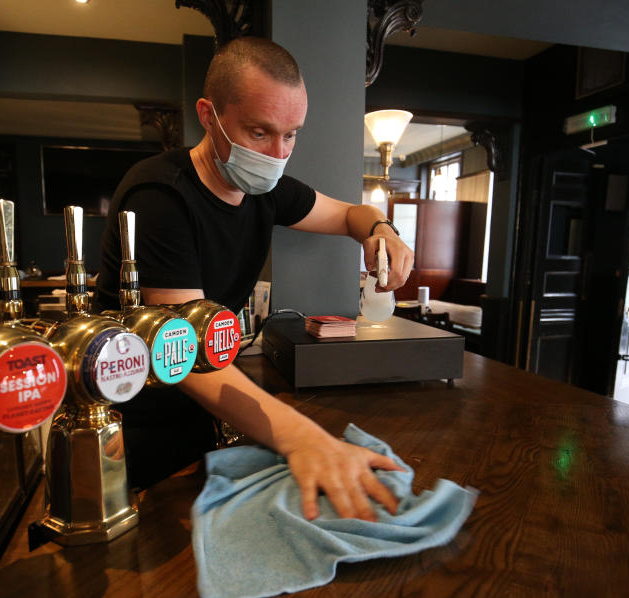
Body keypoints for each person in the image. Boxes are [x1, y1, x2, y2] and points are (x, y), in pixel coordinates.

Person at [96, 37, 414, 522]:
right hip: (135, 415)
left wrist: (380, 230)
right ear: (209, 115)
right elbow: (181, 351)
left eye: (291, 135)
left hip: (207, 410)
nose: (277, 153)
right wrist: (307, 440)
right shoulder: (160, 196)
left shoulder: (265, 189)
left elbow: (352, 213)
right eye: (259, 132)